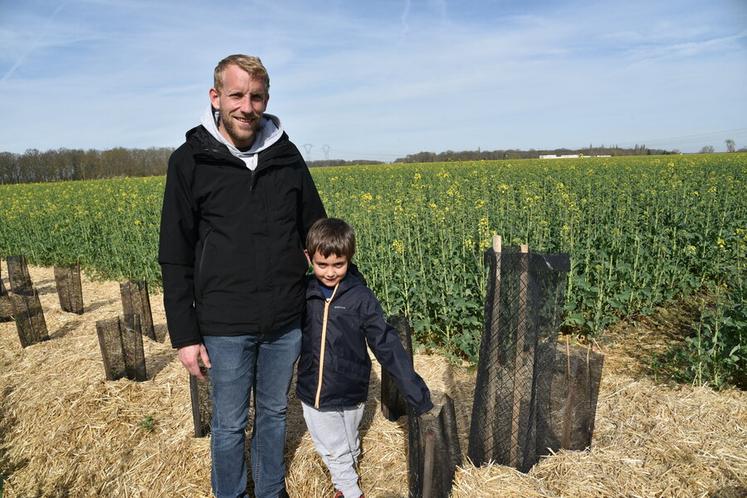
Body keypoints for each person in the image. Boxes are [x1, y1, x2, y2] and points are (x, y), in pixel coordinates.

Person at [158, 54, 326, 498]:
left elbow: (315, 229)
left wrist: (346, 295)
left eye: (255, 97)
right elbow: (174, 255)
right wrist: (184, 336)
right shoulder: (190, 161)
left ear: (266, 100)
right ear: (216, 97)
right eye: (236, 95)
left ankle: (270, 490)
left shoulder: (287, 157)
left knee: (273, 414)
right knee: (230, 423)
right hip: (224, 324)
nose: (246, 107)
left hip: (284, 321)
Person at [296, 218, 434, 498]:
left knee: (349, 440)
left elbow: (385, 344)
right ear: (309, 258)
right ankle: (349, 490)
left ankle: (345, 479)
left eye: (339, 265)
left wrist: (414, 390)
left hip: (352, 387)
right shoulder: (303, 292)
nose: (330, 272)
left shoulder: (361, 297)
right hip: (315, 390)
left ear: (350, 259)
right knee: (333, 446)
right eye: (322, 265)